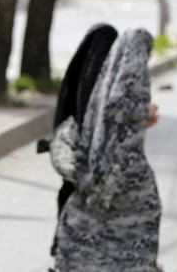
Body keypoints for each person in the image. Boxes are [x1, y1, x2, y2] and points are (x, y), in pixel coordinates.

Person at [52, 28, 162, 271]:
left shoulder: (103, 89)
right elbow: (123, 114)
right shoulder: (125, 91)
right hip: (109, 196)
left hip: (85, 190)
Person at [40, 23, 118, 267]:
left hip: (72, 155)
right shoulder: (93, 81)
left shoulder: (81, 70)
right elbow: (89, 114)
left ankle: (64, 251)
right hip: (82, 156)